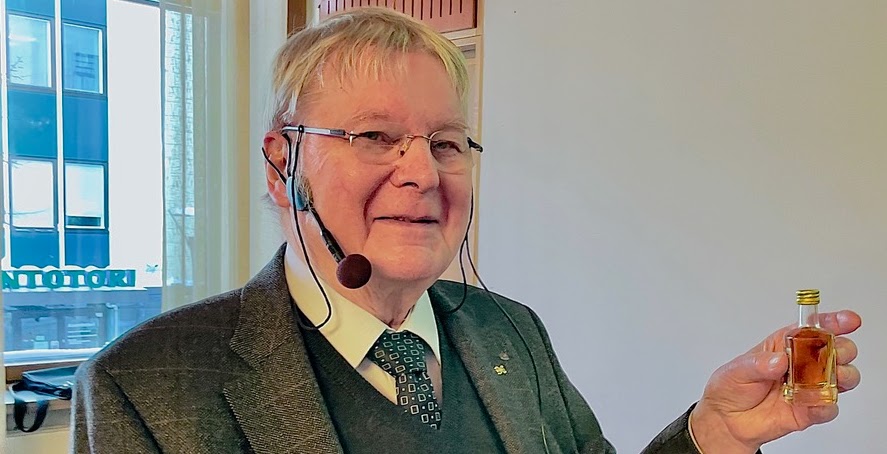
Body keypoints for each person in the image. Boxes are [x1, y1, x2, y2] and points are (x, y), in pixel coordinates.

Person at [70, 7, 861, 454]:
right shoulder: (145, 386)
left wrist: (711, 433)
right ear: (283, 167)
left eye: (446, 143)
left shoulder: (509, 332)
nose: (422, 172)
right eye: (375, 136)